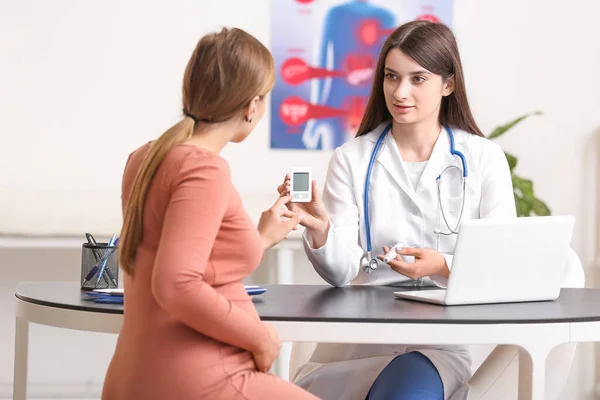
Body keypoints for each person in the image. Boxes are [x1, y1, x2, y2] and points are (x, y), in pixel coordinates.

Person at [278, 20, 516, 400]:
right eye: (391, 77)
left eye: (417, 79)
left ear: (448, 84)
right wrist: (321, 229)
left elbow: (503, 260)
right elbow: (342, 272)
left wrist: (441, 264)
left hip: (436, 343)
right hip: (358, 341)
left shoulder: (483, 159)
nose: (400, 92)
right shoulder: (351, 159)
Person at [101, 27, 318, 400]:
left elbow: (181, 256)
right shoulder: (206, 170)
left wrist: (260, 237)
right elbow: (176, 284)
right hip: (201, 379)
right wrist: (260, 337)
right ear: (251, 106)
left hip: (136, 374)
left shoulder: (146, 157)